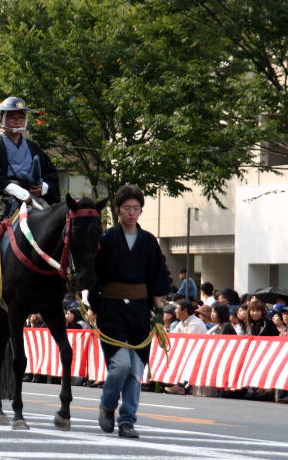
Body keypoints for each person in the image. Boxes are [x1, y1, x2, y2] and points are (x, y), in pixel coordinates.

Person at [89, 185, 170, 439]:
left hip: (139, 310)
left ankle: (127, 420)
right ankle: (108, 404)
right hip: (111, 309)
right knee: (120, 365)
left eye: (136, 208)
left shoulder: (149, 241)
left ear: (141, 210)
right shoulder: (105, 240)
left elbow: (158, 277)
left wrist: (158, 311)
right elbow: (93, 276)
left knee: (136, 370)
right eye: (127, 208)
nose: (131, 212)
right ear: (118, 210)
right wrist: (94, 305)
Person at [0, 96, 60, 292]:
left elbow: (50, 173)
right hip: (4, 195)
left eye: (20, 118)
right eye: (12, 118)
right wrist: (16, 190)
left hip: (33, 196)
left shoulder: (34, 148)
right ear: (2, 121)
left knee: (56, 222)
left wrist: (44, 188)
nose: (17, 122)